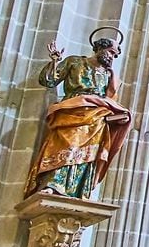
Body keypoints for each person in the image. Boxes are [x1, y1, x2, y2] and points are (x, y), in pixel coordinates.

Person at [27, 34, 132, 198]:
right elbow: (48, 81)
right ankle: (54, 184)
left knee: (88, 155)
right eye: (111, 52)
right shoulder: (74, 62)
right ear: (100, 48)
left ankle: (78, 190)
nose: (112, 57)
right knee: (67, 146)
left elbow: (109, 101)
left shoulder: (110, 76)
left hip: (96, 118)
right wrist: (55, 62)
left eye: (115, 55)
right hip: (72, 110)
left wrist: (119, 116)